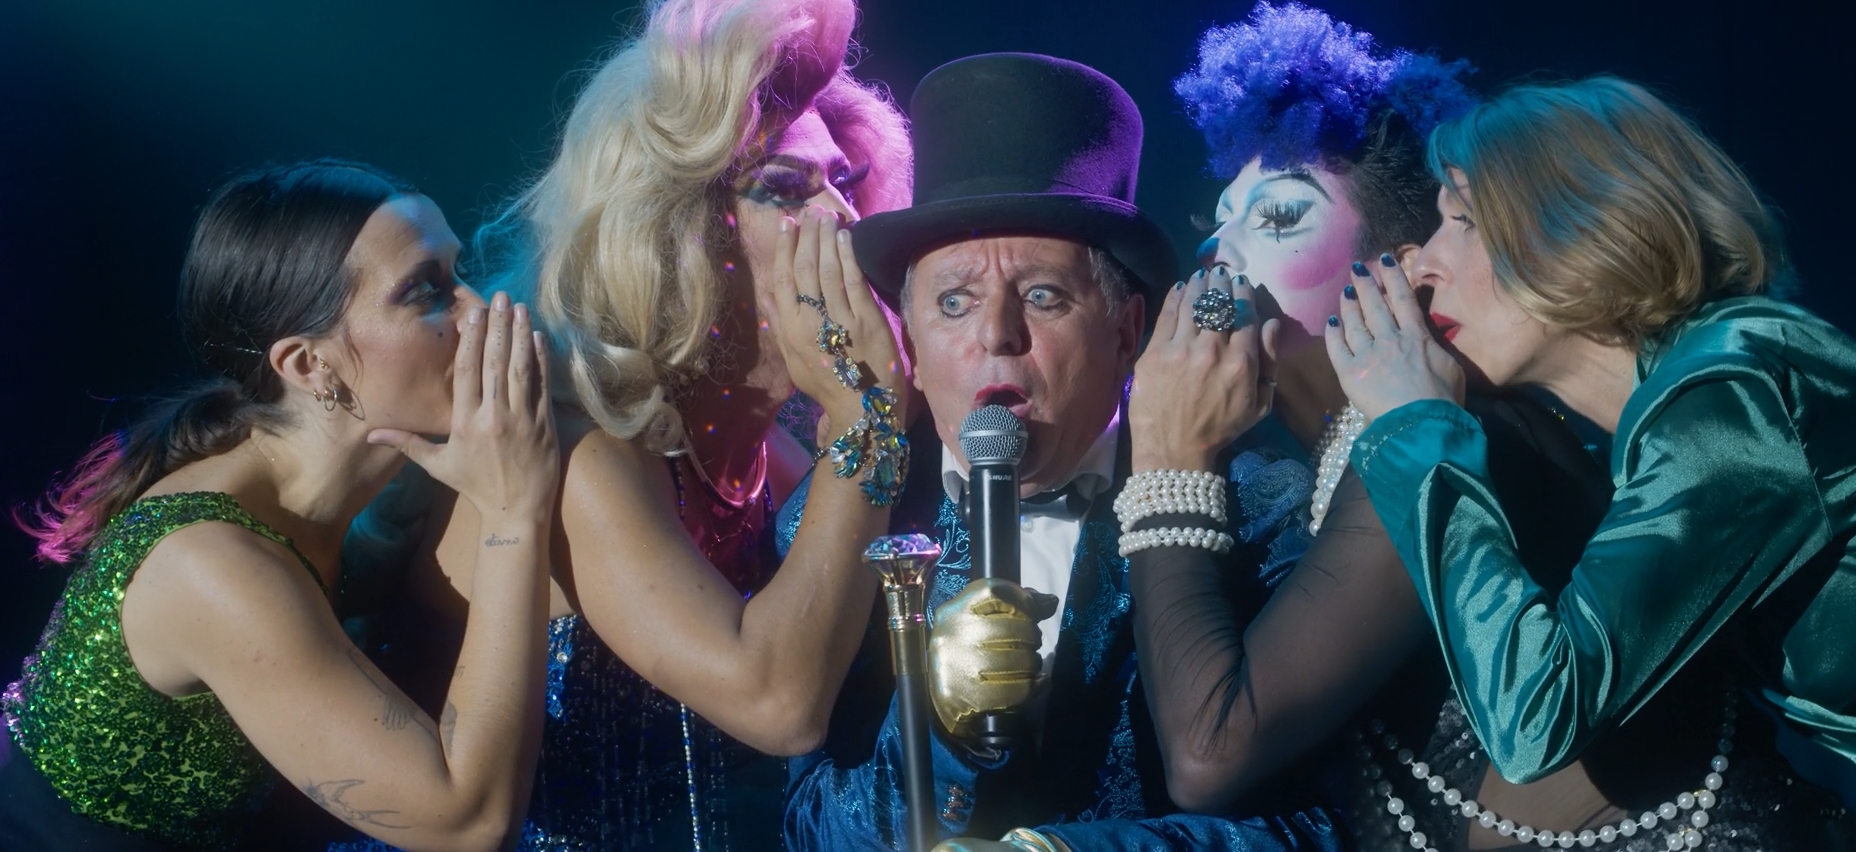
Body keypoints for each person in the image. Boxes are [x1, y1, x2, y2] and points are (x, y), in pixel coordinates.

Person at [1127, 7, 1856, 851]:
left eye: (1279, 216)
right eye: (1219, 217)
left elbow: (1211, 751)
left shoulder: (1457, 435)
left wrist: (1168, 460)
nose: (1219, 250)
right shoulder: (1330, 465)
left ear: (1403, 266)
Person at [1329, 75, 1856, 851]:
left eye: (1463, 221)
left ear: (1578, 227)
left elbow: (1535, 717)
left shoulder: (1738, 390)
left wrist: (1415, 427)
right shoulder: (1690, 407)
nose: (1423, 264)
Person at [325, 0, 915, 849]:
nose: (843, 220)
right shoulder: (584, 447)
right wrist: (868, 412)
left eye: (845, 183)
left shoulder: (768, 457)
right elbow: (778, 704)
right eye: (787, 189)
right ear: (678, 233)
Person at [779, 52, 1342, 851]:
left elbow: (1320, 826)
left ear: (1125, 333)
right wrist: (940, 730)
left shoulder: (1259, 504)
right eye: (954, 301)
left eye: (1043, 296)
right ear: (913, 345)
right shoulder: (845, 518)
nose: (996, 334)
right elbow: (805, 828)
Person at [0, 160, 558, 851]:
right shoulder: (213, 564)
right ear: (308, 365)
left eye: (459, 271)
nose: (485, 311)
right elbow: (469, 824)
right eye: (426, 291)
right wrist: (513, 511)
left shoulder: (325, 495)